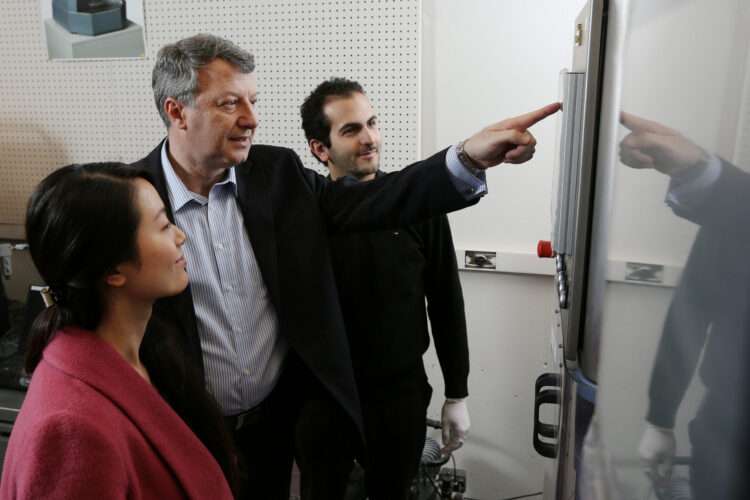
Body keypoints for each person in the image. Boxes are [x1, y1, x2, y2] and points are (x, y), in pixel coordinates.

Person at [135, 33, 559, 499]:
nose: (251, 119)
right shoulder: (131, 199)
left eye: (253, 101)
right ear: (177, 111)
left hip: (273, 428)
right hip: (186, 430)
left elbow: (375, 201)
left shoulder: (277, 176)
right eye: (230, 103)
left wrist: (468, 157)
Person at [0, 163, 235, 499]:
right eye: (163, 226)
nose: (180, 236)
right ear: (112, 270)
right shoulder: (71, 432)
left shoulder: (148, 350)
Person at [298, 78, 469, 499]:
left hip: (399, 395)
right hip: (323, 398)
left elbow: (446, 300)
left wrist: (457, 392)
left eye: (372, 123)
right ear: (320, 149)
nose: (369, 138)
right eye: (351, 130)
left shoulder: (418, 205)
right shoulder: (305, 214)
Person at [621, 113, 750, 500]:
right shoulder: (735, 215)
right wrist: (661, 416)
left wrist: (700, 169)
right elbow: (691, 307)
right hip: (726, 426)